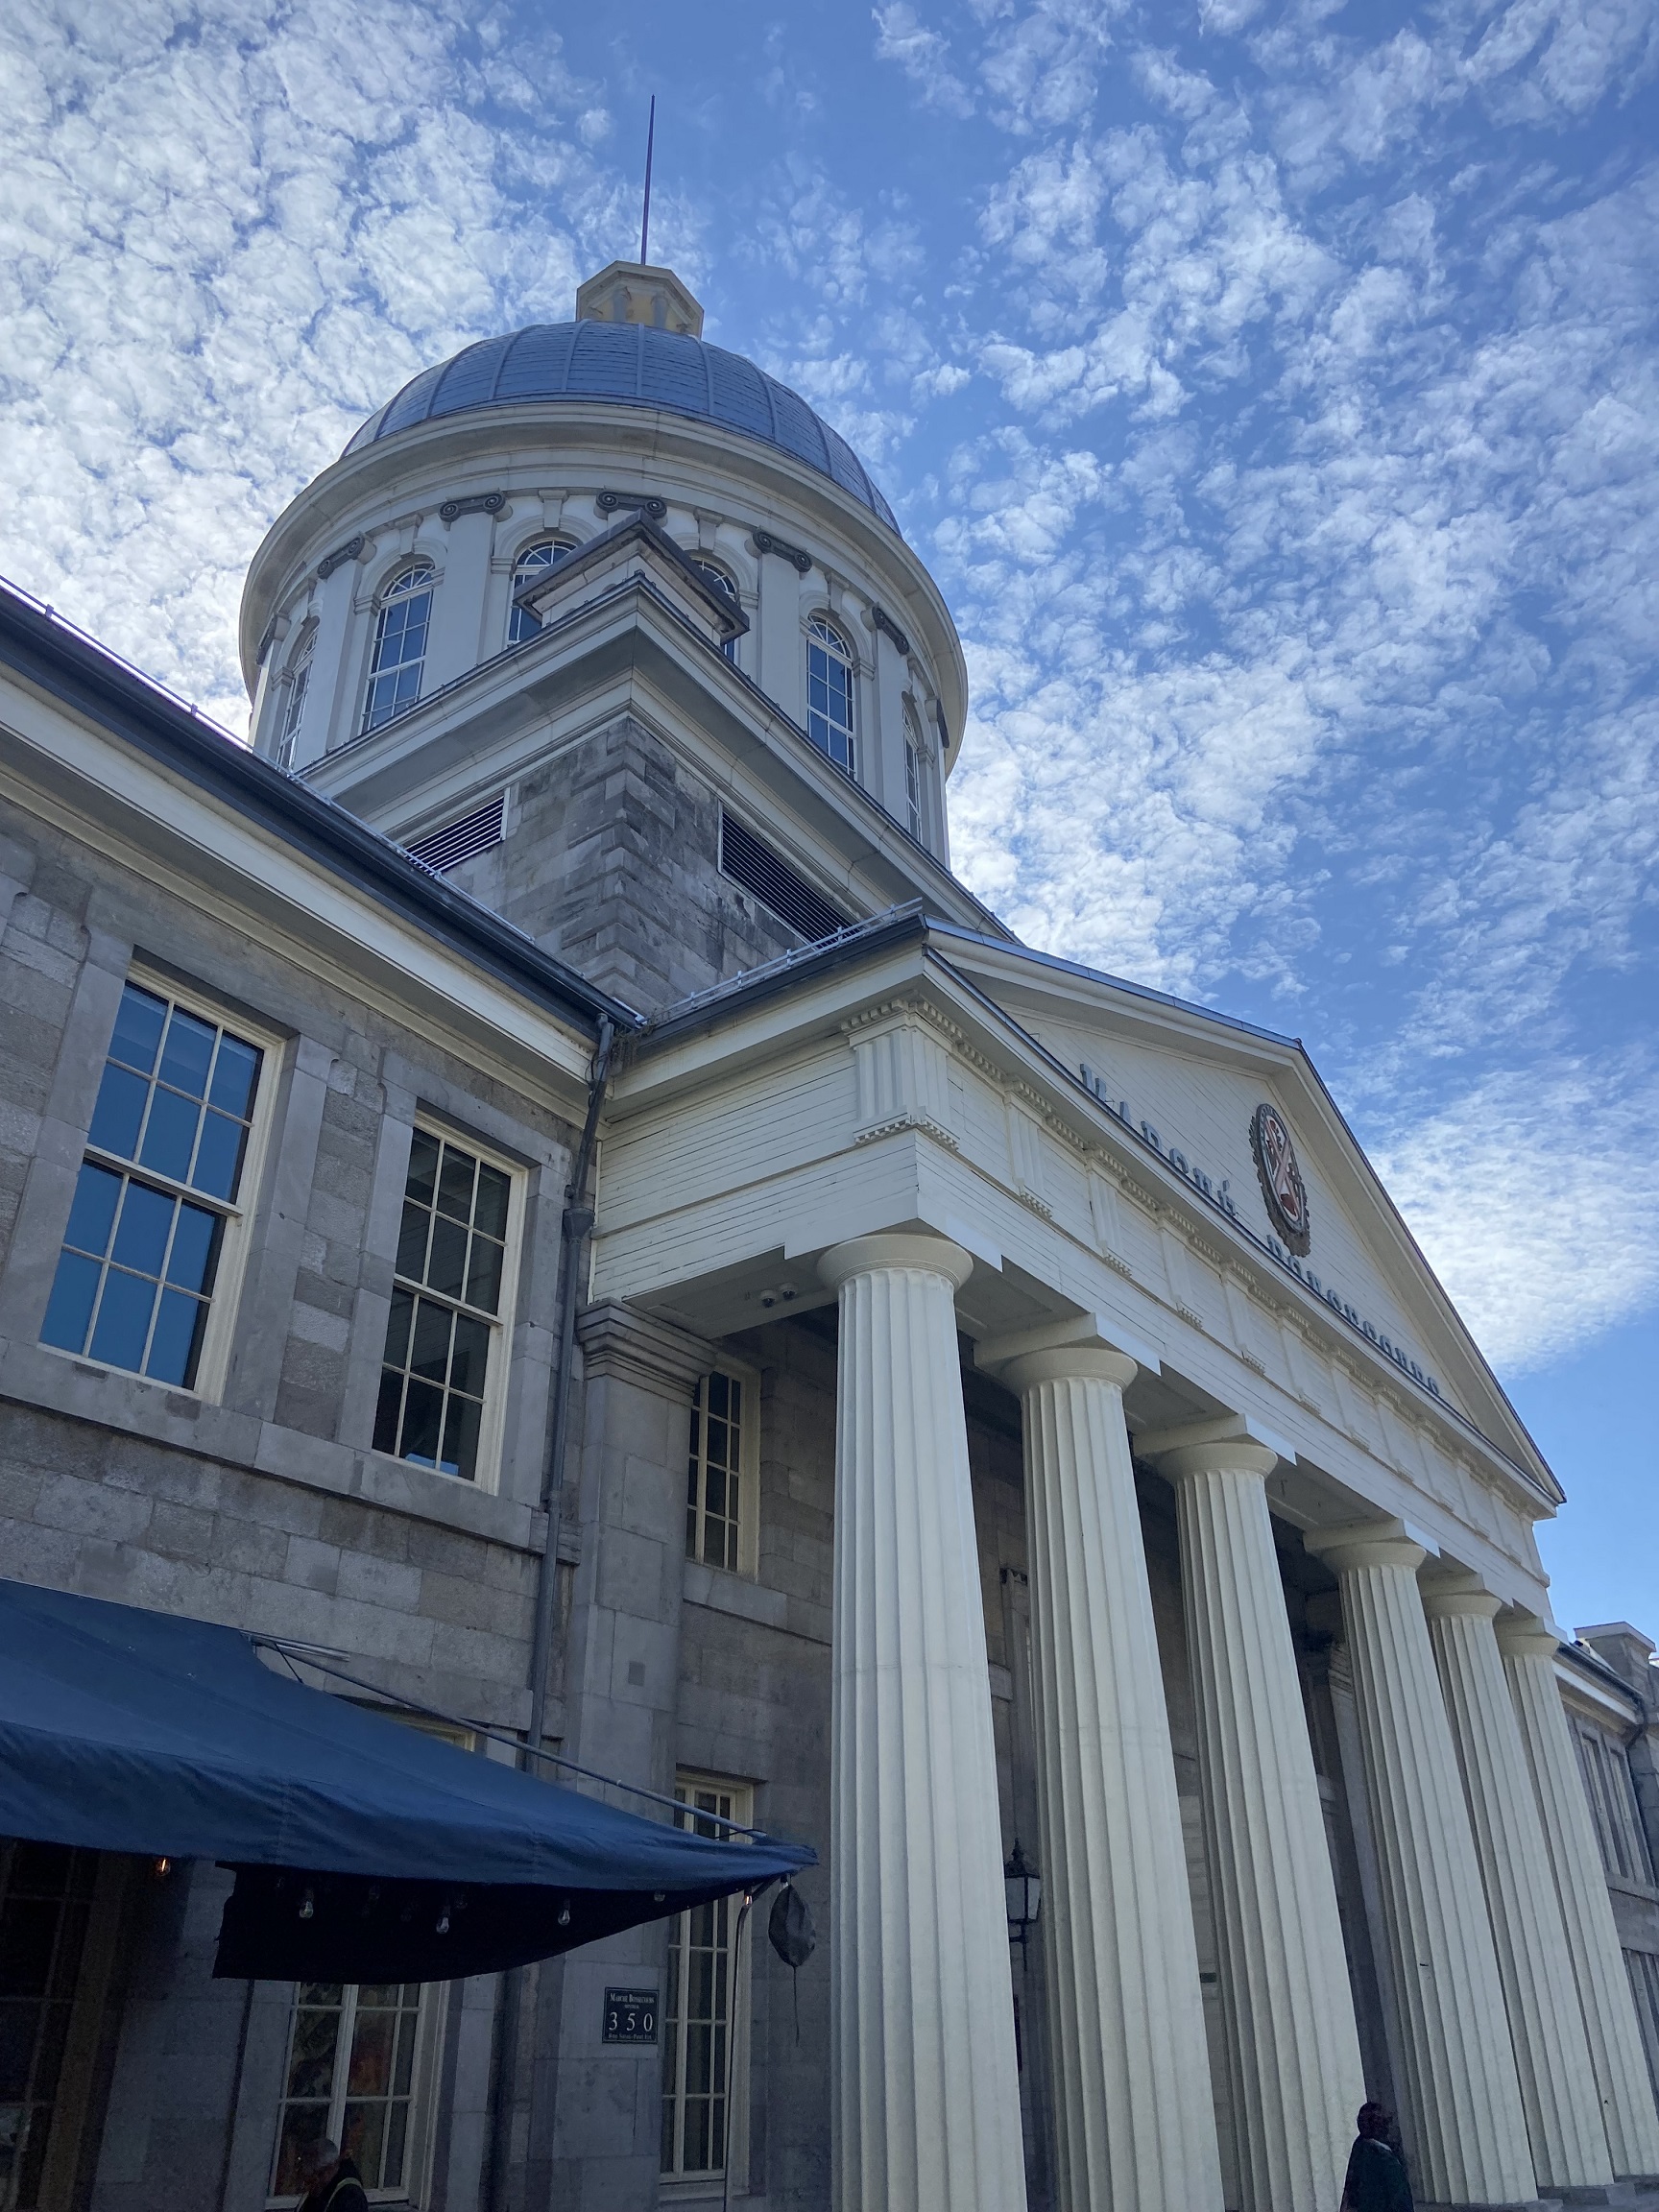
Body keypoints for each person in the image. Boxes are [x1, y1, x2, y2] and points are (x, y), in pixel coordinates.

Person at [1341, 2103, 1412, 2212]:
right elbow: (1399, 2196)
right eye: (1387, 2121)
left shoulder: (1361, 2146)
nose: (1392, 2126)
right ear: (1379, 2126)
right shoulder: (1381, 2158)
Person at [295, 2137, 368, 2212]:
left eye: (313, 2179)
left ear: (329, 2169)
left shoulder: (351, 2196)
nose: (307, 2187)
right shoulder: (316, 2188)